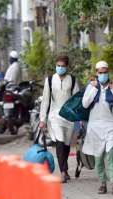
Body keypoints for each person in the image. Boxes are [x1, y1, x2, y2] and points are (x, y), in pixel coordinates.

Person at [82, 61, 113, 194]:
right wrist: (93, 88)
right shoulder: (91, 87)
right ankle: (102, 183)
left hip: (111, 125)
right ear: (96, 73)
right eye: (100, 72)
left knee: (111, 154)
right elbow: (85, 104)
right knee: (98, 157)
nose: (103, 75)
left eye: (105, 72)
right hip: (95, 127)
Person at [39, 55, 79, 183]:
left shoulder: (72, 80)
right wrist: (42, 119)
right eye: (58, 66)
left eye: (62, 66)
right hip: (55, 116)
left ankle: (65, 168)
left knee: (66, 144)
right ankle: (62, 171)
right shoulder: (50, 80)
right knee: (60, 141)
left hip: (69, 117)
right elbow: (45, 100)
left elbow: (77, 99)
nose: (60, 68)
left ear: (67, 67)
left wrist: (79, 117)